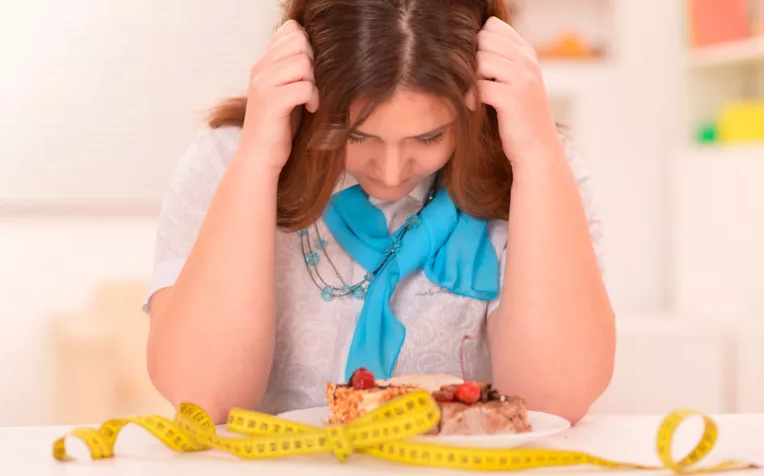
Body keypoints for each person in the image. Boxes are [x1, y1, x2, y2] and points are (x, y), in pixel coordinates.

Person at [143, 0, 616, 425]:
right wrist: (258, 159)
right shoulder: (225, 162)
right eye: (357, 137)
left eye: (428, 137)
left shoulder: (539, 168)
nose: (391, 173)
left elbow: (555, 401)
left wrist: (536, 153)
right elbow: (202, 400)